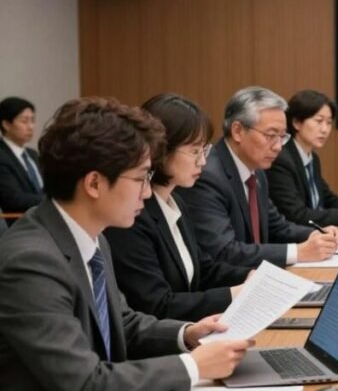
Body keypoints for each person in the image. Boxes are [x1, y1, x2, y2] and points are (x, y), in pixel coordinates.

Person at [0, 97, 251, 391]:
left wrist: (187, 334)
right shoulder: (31, 262)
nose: (147, 192)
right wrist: (194, 367)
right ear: (94, 184)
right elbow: (85, 386)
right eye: (140, 178)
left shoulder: (92, 238)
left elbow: (122, 321)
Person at [106, 94, 251, 321]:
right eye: (194, 151)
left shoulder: (176, 200)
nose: (202, 161)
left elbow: (203, 269)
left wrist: (251, 276)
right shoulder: (132, 215)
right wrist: (233, 295)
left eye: (204, 150)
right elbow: (156, 305)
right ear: (161, 149)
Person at [178, 87, 338, 269]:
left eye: (282, 137)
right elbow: (224, 251)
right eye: (270, 136)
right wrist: (299, 252)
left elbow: (276, 226)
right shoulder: (207, 176)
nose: (278, 147)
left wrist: (315, 235)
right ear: (238, 131)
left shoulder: (257, 171)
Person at [267, 90, 338, 227]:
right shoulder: (281, 160)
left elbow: (327, 199)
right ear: (296, 123)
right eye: (319, 121)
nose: (325, 129)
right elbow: (296, 215)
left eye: (329, 122)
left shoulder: (312, 158)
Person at [0, 96, 45, 211]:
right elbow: (13, 199)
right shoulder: (2, 156)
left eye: (32, 120)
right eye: (24, 121)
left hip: (42, 216)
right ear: (6, 125)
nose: (31, 127)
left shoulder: (33, 155)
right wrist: (53, 202)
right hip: (18, 219)